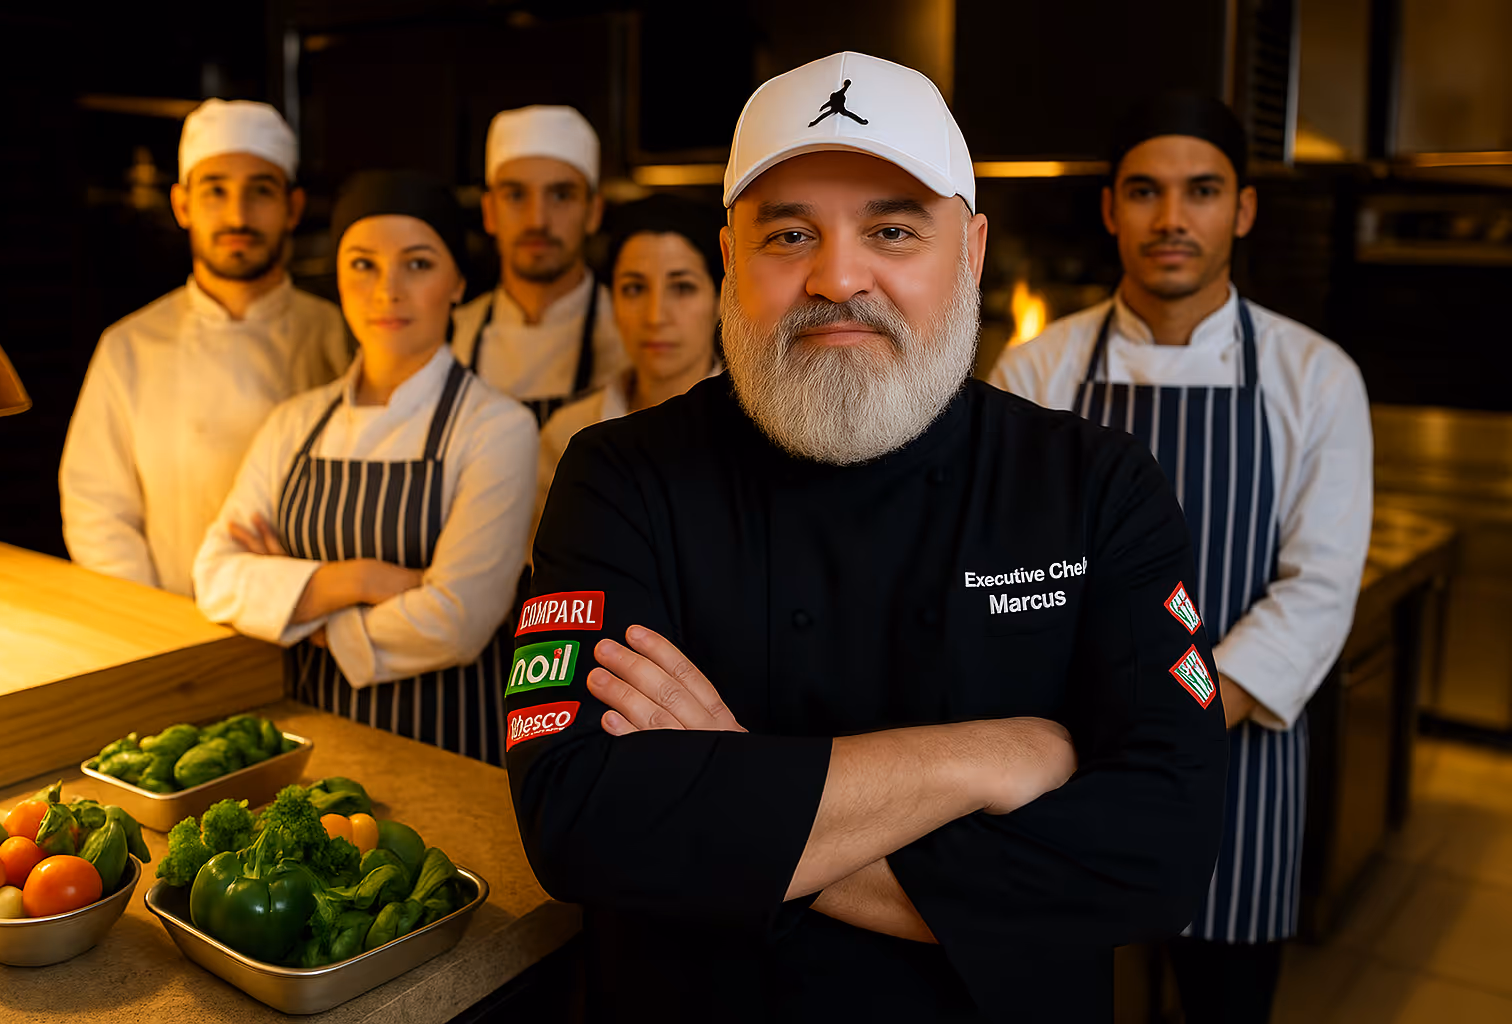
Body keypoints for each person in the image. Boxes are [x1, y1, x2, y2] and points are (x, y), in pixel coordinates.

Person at [508, 52, 1228, 1021]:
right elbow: (578, 820)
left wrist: (733, 784)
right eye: (789, 231)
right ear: (729, 257)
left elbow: (1161, 850)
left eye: (891, 227)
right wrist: (983, 756)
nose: (838, 275)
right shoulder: (619, 476)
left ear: (970, 250)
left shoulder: (1097, 485)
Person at [989, 94, 1372, 1023]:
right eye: (1145, 192)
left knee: (1224, 1000)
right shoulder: (1035, 373)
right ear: (1111, 208)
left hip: (1235, 757)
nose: (1171, 219)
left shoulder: (1315, 375)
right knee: (1066, 987)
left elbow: (1317, 587)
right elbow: (994, 569)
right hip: (1065, 752)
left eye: (1200, 192)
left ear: (1241, 208)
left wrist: (1184, 716)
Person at [194, 171, 537, 761]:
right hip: (304, 740)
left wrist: (301, 610)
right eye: (362, 264)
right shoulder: (293, 423)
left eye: (418, 264)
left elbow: (457, 622)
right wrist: (357, 581)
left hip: (444, 744)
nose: (387, 291)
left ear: (457, 281)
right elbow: (215, 576)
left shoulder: (497, 427)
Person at [60, 99, 350, 596]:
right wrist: (157, 625)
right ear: (182, 205)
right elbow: (96, 511)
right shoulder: (129, 346)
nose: (238, 215)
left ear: (293, 208)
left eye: (260, 191)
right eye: (216, 191)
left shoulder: (342, 337)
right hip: (171, 633)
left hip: (316, 628)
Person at [531, 193, 724, 545]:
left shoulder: (757, 431)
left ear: (722, 298)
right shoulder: (567, 434)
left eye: (682, 288)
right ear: (613, 300)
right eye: (634, 288)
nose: (655, 317)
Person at [451, 104, 627, 426]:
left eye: (561, 195)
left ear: (593, 212)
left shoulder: (635, 337)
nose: (538, 220)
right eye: (516, 195)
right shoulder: (448, 339)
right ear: (489, 212)